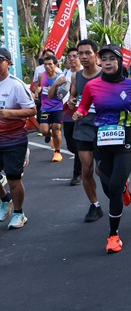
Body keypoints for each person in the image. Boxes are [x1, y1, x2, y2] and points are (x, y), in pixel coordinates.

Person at [74, 44, 131, 253]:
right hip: (102, 141)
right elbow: (84, 106)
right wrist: (79, 113)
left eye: (112, 59)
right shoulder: (92, 86)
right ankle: (123, 188)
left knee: (114, 187)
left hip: (125, 141)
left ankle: (113, 235)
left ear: (119, 62)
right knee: (108, 186)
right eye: (104, 59)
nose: (107, 63)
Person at [69, 39, 107, 222]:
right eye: (80, 54)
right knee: (87, 169)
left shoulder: (106, 74)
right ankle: (95, 205)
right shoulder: (76, 76)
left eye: (87, 53)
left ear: (96, 54)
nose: (83, 57)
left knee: (102, 170)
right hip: (83, 127)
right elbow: (73, 97)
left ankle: (120, 184)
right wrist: (71, 102)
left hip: (104, 126)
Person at [0, 47, 37, 229]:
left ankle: (19, 213)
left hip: (14, 140)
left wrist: (8, 113)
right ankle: (5, 199)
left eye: (0, 60)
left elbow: (32, 110)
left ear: (8, 63)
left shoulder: (16, 85)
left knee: (13, 179)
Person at [49, 47, 82, 184]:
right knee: (71, 146)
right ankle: (85, 159)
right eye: (69, 56)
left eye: (75, 56)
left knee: (80, 144)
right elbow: (51, 96)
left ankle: (77, 174)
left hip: (84, 114)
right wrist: (56, 84)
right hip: (68, 115)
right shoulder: (63, 76)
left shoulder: (86, 74)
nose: (72, 59)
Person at [36, 55, 64, 161]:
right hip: (45, 107)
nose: (47, 66)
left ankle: (57, 152)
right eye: (45, 64)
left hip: (58, 107)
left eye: (50, 64)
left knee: (56, 129)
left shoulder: (60, 77)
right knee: (44, 131)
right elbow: (39, 85)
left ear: (55, 65)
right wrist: (36, 92)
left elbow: (65, 92)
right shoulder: (41, 75)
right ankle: (54, 136)